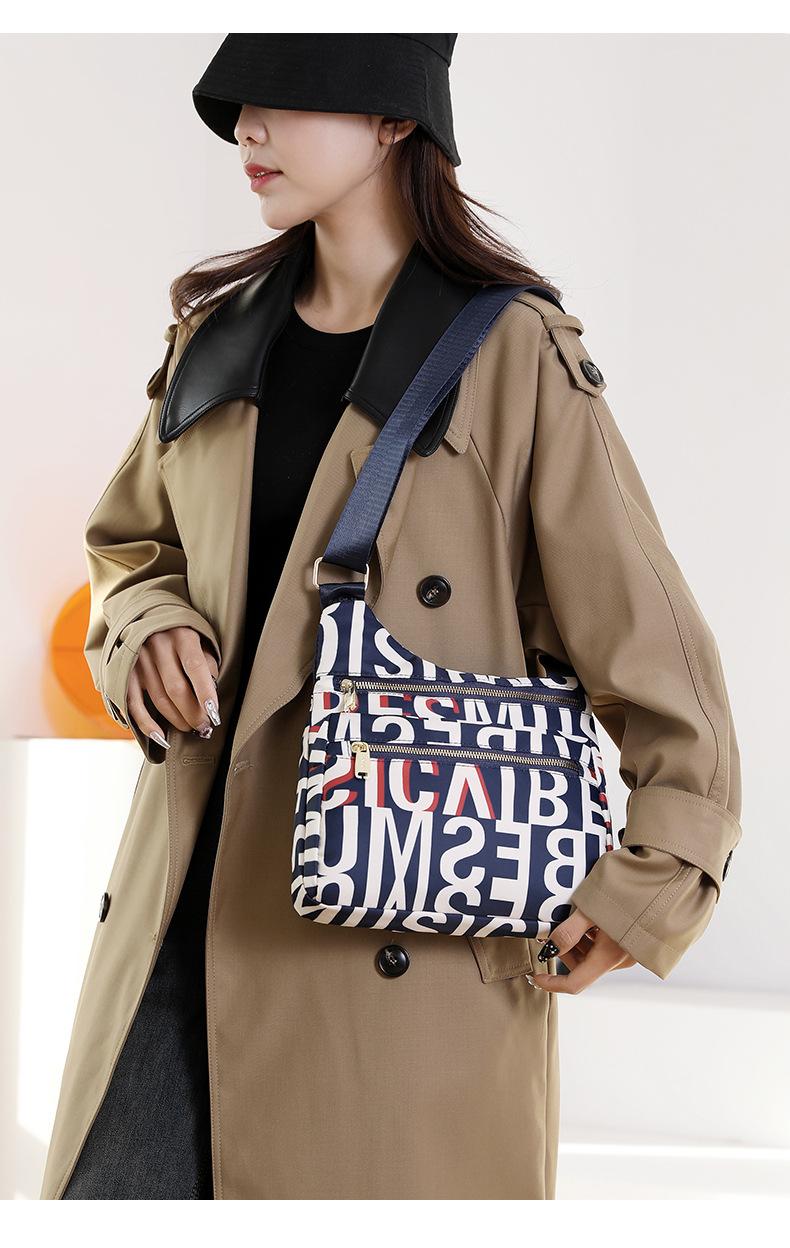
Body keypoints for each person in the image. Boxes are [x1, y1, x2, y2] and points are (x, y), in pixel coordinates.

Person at [42, 34, 741, 1201]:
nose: (247, 128)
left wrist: (649, 882)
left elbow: (658, 652)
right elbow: (132, 546)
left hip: (390, 968)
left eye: (288, 97)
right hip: (174, 931)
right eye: (241, 103)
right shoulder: (219, 333)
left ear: (394, 119)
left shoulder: (513, 354)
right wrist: (147, 624)